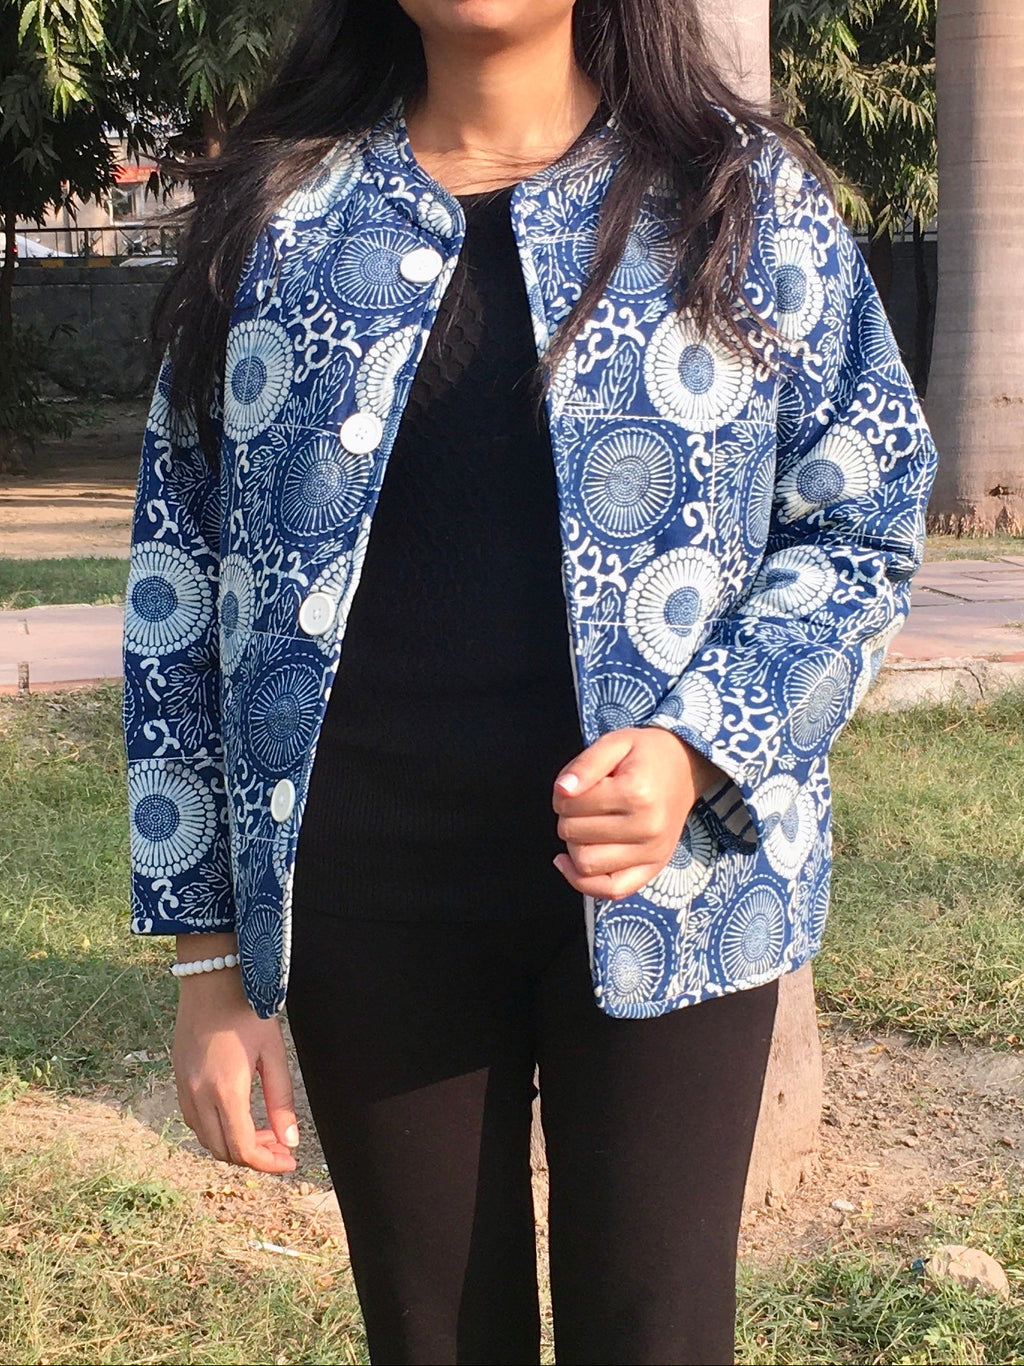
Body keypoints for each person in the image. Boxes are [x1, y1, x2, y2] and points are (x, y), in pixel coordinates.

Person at [123, 2, 937, 1361]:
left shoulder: (740, 202)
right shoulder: (278, 219)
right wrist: (210, 967)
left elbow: (866, 518)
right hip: (371, 903)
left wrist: (698, 745)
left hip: (682, 889)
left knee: (658, 1331)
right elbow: (177, 592)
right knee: (434, 1335)